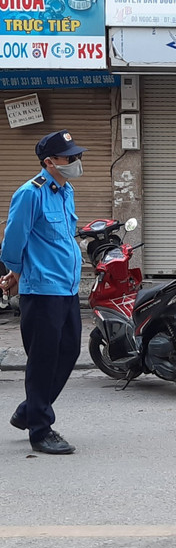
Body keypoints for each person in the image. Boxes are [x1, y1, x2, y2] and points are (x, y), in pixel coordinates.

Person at [1, 130, 88, 454]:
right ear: (50, 162)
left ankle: (29, 410)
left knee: (69, 352)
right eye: (69, 158)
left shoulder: (65, 191)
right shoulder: (30, 193)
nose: (76, 162)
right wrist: (16, 272)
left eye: (76, 156)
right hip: (41, 291)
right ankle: (40, 429)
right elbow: (13, 240)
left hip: (66, 288)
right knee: (43, 359)